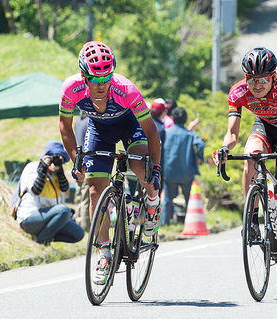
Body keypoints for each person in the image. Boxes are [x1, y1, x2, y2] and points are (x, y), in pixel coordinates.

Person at [58, 41, 161, 285]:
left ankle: (152, 203)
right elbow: (65, 126)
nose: (102, 85)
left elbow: (152, 134)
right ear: (84, 76)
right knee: (95, 190)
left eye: (107, 77)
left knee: (139, 167)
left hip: (130, 126)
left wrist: (155, 169)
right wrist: (76, 160)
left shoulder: (127, 90)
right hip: (99, 130)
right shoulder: (71, 88)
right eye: (96, 79)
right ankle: (104, 255)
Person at [212, 47, 277, 267]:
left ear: (273, 77)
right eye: (252, 80)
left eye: (263, 79)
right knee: (251, 158)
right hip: (264, 128)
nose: (257, 85)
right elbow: (233, 134)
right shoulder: (237, 92)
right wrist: (224, 148)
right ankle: (253, 220)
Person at [10, 141, 84, 245]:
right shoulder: (33, 167)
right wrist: (43, 169)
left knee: (78, 233)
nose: (56, 163)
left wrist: (60, 172)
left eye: (60, 161)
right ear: (46, 157)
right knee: (64, 210)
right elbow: (35, 190)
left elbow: (65, 189)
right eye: (54, 159)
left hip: (49, 217)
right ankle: (42, 242)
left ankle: (42, 236)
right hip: (29, 217)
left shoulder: (56, 174)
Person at [162, 107, 205, 225]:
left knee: (167, 200)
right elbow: (200, 145)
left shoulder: (166, 132)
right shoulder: (190, 134)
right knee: (189, 200)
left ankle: (165, 223)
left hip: (169, 171)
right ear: (185, 119)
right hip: (187, 171)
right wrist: (199, 157)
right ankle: (189, 223)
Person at [74, 112, 90, 230]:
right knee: (86, 197)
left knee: (79, 195)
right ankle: (86, 227)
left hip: (77, 161)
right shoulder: (89, 121)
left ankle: (78, 223)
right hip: (86, 162)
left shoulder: (78, 121)